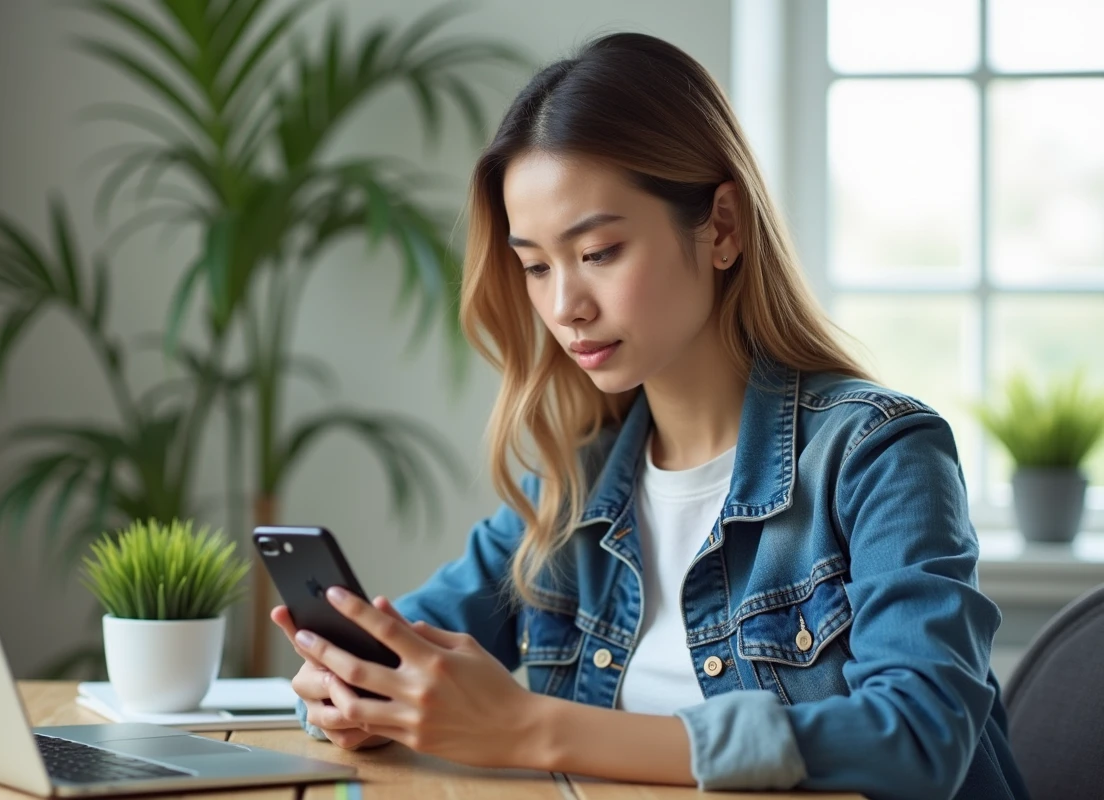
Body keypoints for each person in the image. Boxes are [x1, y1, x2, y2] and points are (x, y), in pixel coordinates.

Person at [269, 32, 1030, 799]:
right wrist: (347, 693)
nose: (564, 306)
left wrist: (532, 728)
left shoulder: (878, 455)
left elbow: (918, 737)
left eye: (598, 252)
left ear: (722, 227)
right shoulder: (568, 490)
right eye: (535, 265)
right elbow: (391, 664)